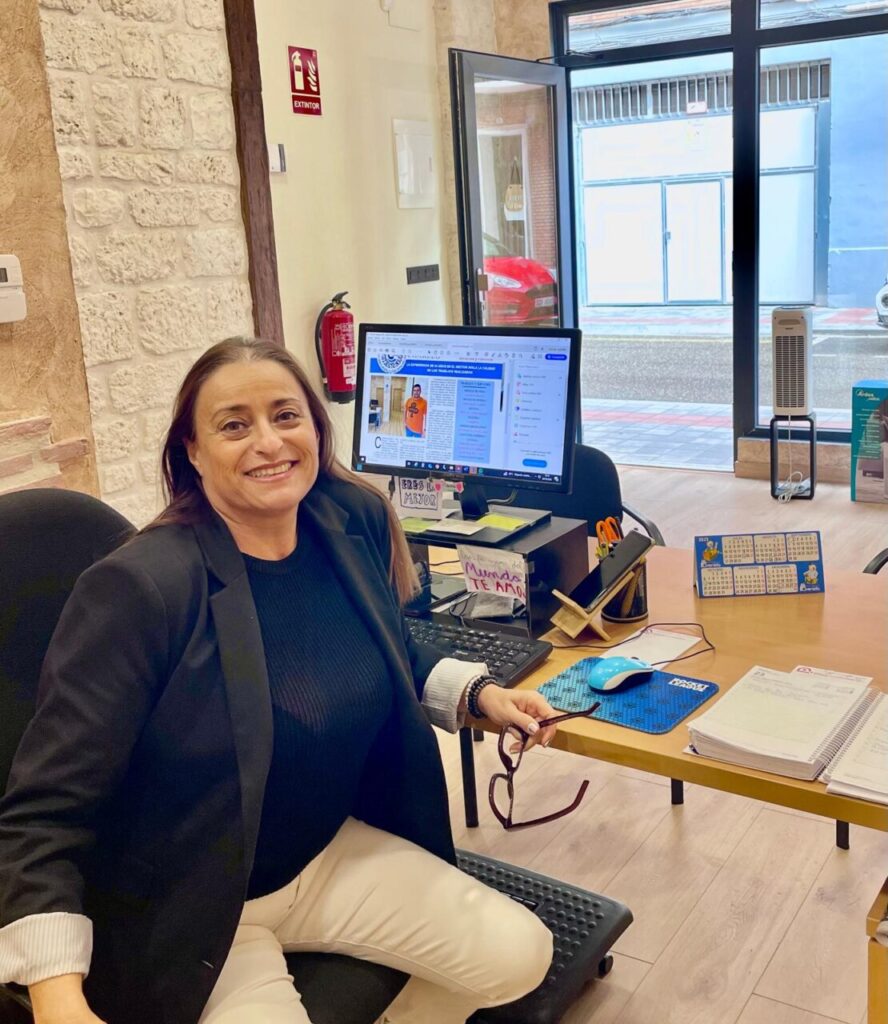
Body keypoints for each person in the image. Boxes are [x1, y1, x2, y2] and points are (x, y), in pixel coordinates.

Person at [0, 338, 559, 1024]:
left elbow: (385, 645)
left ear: (315, 431)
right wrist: (56, 996)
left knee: (521, 953)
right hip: (196, 901)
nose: (268, 442)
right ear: (193, 451)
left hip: (322, 855)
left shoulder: (344, 522)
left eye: (286, 416)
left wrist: (478, 695)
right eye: (234, 425)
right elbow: (45, 809)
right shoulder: (140, 588)